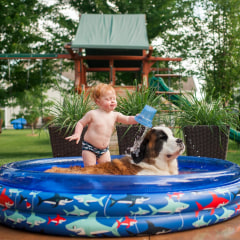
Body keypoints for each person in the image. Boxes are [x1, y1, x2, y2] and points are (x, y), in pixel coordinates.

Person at [65, 83, 138, 166]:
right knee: (91, 169)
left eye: (114, 98)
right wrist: (77, 134)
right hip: (90, 148)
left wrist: (137, 119)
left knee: (106, 170)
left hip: (104, 150)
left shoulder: (115, 115)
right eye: (108, 99)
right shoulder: (92, 114)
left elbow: (128, 119)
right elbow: (81, 123)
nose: (112, 101)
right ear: (98, 102)